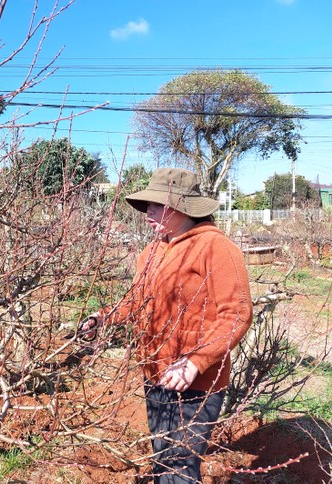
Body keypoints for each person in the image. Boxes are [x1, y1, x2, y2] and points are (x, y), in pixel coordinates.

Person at [80, 168, 253, 483]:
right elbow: (136, 300)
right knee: (163, 458)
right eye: (148, 205)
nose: (150, 211)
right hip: (155, 372)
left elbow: (237, 314)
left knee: (178, 467)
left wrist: (194, 362)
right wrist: (102, 317)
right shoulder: (150, 252)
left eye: (158, 204)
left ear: (183, 207)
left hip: (196, 382)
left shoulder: (216, 248)